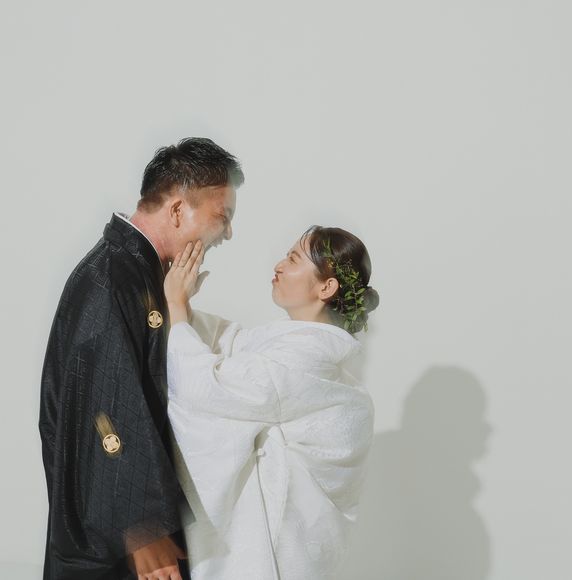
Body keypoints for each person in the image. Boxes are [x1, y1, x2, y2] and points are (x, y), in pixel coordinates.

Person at [39, 137, 244, 580]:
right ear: (178, 210)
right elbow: (105, 411)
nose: (227, 233)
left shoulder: (138, 274)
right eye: (222, 216)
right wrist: (144, 529)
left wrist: (176, 308)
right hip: (116, 546)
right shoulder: (111, 279)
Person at [164, 225, 379, 579]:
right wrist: (181, 305)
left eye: (293, 259)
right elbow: (230, 343)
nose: (279, 265)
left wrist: (175, 306)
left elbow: (206, 389)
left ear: (326, 287)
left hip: (275, 558)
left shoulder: (304, 360)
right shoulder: (294, 349)